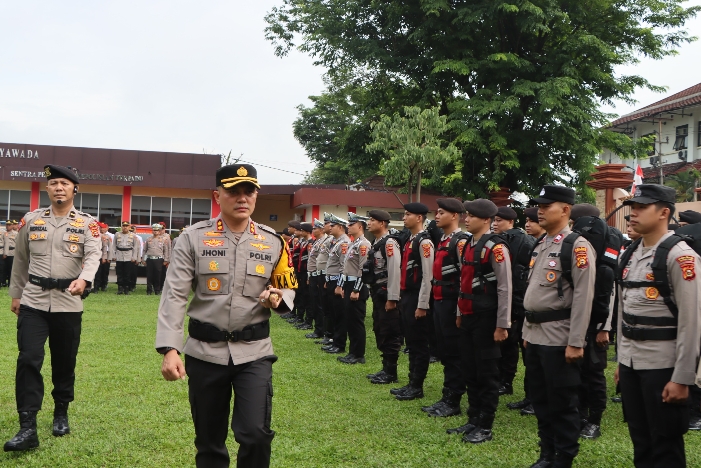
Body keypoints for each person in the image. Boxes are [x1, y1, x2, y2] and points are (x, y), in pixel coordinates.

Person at [156, 163, 297, 468]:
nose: (242, 198)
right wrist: (170, 348)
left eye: (249, 191)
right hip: (205, 352)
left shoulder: (274, 242)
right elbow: (175, 295)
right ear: (217, 195)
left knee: (256, 434)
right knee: (209, 441)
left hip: (254, 353)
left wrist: (278, 298)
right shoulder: (192, 239)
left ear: (256, 196)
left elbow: (289, 290)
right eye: (234, 191)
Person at [4, 164, 100, 452]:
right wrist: (16, 294)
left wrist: (85, 278)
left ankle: (61, 411)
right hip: (33, 300)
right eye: (54, 183)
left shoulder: (86, 224)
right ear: (47, 189)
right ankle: (27, 425)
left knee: (64, 361)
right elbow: (20, 260)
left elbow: (95, 255)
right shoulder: (31, 221)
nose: (59, 187)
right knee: (29, 359)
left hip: (69, 303)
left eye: (65, 183)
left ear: (74, 189)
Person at [615, 184, 701, 467]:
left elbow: (693, 322)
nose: (633, 214)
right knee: (641, 441)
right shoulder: (631, 253)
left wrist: (683, 378)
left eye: (641, 208)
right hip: (632, 364)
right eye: (633, 208)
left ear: (664, 212)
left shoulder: (680, 256)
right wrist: (621, 362)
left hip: (663, 367)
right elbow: (625, 312)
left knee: (665, 444)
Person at [522, 185, 596, 468]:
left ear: (565, 209)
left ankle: (564, 457)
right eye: (539, 205)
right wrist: (527, 332)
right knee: (540, 399)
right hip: (536, 334)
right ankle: (547, 453)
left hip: (559, 336)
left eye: (546, 205)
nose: (539, 210)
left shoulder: (576, 245)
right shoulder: (542, 243)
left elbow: (583, 296)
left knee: (562, 402)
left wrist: (576, 341)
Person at [448, 199, 512, 444]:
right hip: (468, 315)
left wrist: (502, 324)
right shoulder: (466, 245)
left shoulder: (495, 248)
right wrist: (458, 312)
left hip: (487, 317)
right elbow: (463, 284)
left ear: (486, 220)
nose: (466, 219)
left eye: (472, 216)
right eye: (466, 215)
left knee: (487, 372)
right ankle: (473, 418)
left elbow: (505, 287)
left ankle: (485, 425)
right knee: (470, 369)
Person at [567, 203, 611, 441]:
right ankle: (581, 414)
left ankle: (595, 420)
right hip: (579, 322)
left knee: (594, 374)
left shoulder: (605, 257)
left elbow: (610, 296)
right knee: (579, 373)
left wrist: (604, 329)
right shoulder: (582, 248)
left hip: (597, 325)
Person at [423, 198, 470, 418]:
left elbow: (465, 277)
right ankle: (446, 396)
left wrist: (460, 310)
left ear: (454, 216)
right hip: (440, 300)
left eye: (441, 213)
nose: (437, 216)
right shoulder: (443, 240)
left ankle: (453, 400)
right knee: (445, 351)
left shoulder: (460, 241)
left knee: (455, 353)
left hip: (452, 302)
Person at [390, 203, 434, 401]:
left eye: (408, 214)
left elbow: (427, 276)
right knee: (411, 341)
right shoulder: (410, 240)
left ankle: (417, 385)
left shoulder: (424, 242)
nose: (404, 217)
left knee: (419, 343)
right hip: (407, 296)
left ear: (419, 218)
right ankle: (411, 382)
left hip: (417, 296)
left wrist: (422, 304)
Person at [365, 210, 402, 383]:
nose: (368, 222)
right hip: (377, 291)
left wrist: (392, 297)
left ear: (382, 223)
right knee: (380, 329)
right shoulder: (377, 242)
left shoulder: (389, 243)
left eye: (372, 220)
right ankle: (385, 368)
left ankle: (391, 372)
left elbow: (395, 271)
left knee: (390, 331)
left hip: (386, 292)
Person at [336, 212, 372, 364]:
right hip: (349, 284)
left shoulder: (364, 244)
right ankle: (352, 352)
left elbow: (362, 270)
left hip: (358, 286)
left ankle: (358, 354)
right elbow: (346, 268)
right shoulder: (353, 244)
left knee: (356, 321)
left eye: (351, 224)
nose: (348, 227)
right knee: (349, 320)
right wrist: (343, 285)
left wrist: (356, 290)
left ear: (360, 226)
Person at [322, 214, 350, 354]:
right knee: (333, 312)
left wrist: (339, 285)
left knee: (339, 314)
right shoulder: (337, 242)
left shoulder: (344, 243)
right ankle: (334, 340)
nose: (329, 228)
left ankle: (339, 344)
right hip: (332, 281)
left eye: (332, 226)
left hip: (338, 283)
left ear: (340, 227)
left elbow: (343, 267)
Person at [305, 219, 327, 339]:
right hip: (313, 275)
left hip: (319, 275)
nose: (313, 230)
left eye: (315, 228)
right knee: (314, 303)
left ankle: (321, 330)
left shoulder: (324, 242)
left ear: (321, 230)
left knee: (319, 305)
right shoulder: (316, 242)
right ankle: (318, 329)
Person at [293, 223, 313, 330]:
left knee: (307, 296)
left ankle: (308, 320)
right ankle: (300, 317)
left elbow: (309, 259)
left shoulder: (310, 243)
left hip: (306, 272)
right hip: (301, 271)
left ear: (307, 232)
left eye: (302, 230)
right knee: (301, 294)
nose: (300, 232)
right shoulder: (304, 242)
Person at [111, 221, 140, 295]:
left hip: (128, 256)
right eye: (123, 226)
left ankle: (126, 289)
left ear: (129, 227)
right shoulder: (117, 234)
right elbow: (113, 246)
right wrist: (113, 255)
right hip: (119, 255)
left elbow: (135, 247)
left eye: (126, 226)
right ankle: (120, 288)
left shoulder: (133, 235)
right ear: (122, 226)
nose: (125, 227)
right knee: (119, 273)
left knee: (127, 273)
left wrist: (134, 257)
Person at [142, 224, 171, 295]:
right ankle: (149, 290)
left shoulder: (163, 240)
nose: (156, 232)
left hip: (159, 259)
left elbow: (166, 250)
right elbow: (145, 250)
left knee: (158, 275)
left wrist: (166, 260)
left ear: (159, 231)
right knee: (149, 275)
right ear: (152, 231)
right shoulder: (149, 239)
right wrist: (143, 259)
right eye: (154, 230)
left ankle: (157, 290)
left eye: (157, 230)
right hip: (150, 259)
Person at [92, 222, 112, 293]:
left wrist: (105, 257)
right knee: (95, 272)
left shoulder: (106, 237)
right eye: (100, 227)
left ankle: (101, 286)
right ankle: (95, 287)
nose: (101, 229)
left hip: (101, 256)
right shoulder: (94, 235)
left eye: (103, 227)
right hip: (93, 255)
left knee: (102, 272)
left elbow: (106, 248)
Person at [3, 220, 18, 286]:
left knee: (11, 269)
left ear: (12, 226)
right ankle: (3, 282)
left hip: (12, 252)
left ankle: (10, 282)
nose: (8, 226)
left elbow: (18, 244)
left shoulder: (16, 234)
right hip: (4, 252)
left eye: (9, 225)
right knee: (3, 268)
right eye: (7, 225)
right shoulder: (4, 233)